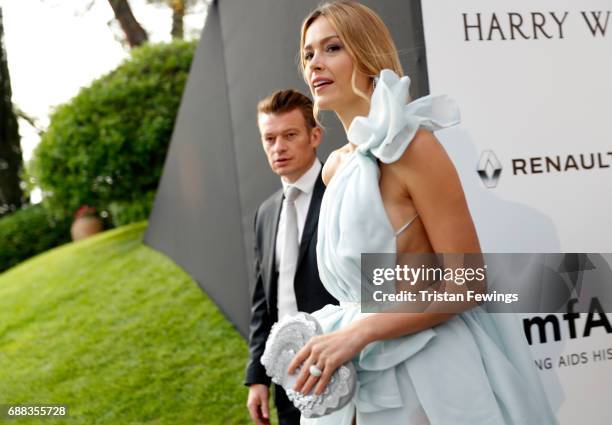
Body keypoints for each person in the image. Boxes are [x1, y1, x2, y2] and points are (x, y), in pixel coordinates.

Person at [282, 2, 559, 424]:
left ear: (367, 52)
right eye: (308, 54)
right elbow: (356, 295)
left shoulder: (414, 148)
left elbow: (469, 283)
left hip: (429, 379)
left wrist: (361, 332)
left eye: (332, 48)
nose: (315, 63)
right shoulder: (334, 167)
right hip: (358, 378)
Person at [245, 89, 339, 425]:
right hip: (287, 379)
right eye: (269, 138)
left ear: (315, 136)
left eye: (289, 135)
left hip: (343, 366)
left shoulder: (342, 190)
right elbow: (262, 303)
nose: (278, 147)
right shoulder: (266, 213)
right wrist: (257, 376)